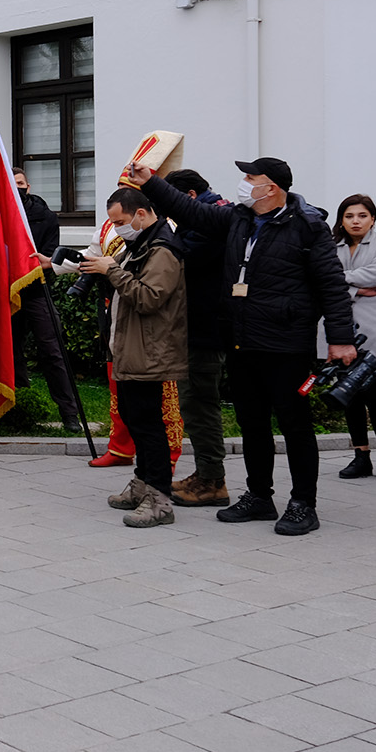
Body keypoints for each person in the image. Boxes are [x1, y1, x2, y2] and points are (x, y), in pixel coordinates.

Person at [130, 156, 357, 537]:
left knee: (294, 425)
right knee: (253, 423)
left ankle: (303, 502)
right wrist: (151, 182)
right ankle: (259, 496)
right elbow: (191, 211)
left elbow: (332, 285)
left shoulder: (307, 227)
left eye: (251, 177)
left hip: (285, 342)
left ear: (272, 188)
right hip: (241, 339)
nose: (243, 182)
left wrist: (341, 338)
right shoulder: (240, 217)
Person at [82, 188, 188, 528]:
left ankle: (159, 498)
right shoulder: (141, 244)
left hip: (150, 350)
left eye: (121, 222)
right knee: (132, 414)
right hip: (132, 347)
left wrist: (111, 270)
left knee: (148, 423)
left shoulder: (163, 249)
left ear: (142, 214)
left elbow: (149, 297)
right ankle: (142, 482)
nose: (117, 230)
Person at [163, 169, 234, 507]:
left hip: (206, 329)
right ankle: (206, 472)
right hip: (200, 326)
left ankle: (212, 480)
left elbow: (179, 260)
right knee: (195, 403)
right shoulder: (209, 216)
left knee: (200, 404)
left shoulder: (210, 223)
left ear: (189, 197)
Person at [330, 194, 376, 482]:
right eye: (349, 216)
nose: (355, 221)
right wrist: (356, 289)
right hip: (340, 330)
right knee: (348, 395)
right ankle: (361, 456)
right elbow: (322, 277)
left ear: (372, 218)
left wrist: (342, 281)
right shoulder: (331, 245)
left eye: (362, 216)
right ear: (342, 220)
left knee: (374, 395)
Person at [10, 167, 85, 433]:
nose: (16, 187)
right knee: (11, 351)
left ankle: (69, 413)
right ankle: (19, 405)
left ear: (27, 186)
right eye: (11, 183)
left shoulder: (46, 217)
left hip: (36, 290)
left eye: (20, 183)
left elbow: (52, 256)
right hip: (7, 293)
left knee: (52, 351)